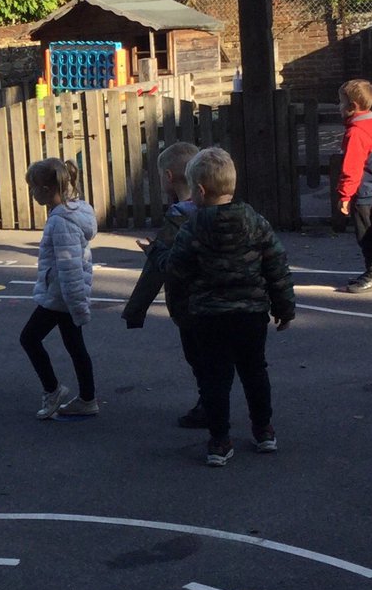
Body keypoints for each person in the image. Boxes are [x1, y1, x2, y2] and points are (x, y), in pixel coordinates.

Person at [153, 147, 295, 467]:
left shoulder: (194, 227)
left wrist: (158, 257)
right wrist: (284, 308)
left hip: (209, 315)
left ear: (200, 190)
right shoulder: (256, 221)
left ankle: (219, 440)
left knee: (214, 377)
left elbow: (176, 270)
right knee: (255, 371)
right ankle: (264, 430)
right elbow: (276, 265)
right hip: (251, 313)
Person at [122, 141, 204, 426]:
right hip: (222, 297)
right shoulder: (216, 208)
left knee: (199, 358)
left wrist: (135, 311)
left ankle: (210, 409)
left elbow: (158, 272)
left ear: (169, 177)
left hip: (189, 302)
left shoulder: (177, 216)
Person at [20, 157, 98, 420]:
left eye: (33, 188)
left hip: (60, 296)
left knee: (29, 338)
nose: (31, 193)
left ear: (45, 189)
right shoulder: (73, 211)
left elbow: (69, 267)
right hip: (64, 293)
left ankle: (53, 390)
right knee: (75, 345)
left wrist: (77, 306)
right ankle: (87, 398)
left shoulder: (60, 221)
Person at [336, 78, 372, 293]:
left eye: (341, 102)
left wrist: (345, 195)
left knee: (365, 232)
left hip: (363, 189)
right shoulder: (371, 127)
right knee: (371, 230)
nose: (338, 106)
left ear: (352, 106)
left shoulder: (356, 132)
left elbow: (352, 167)